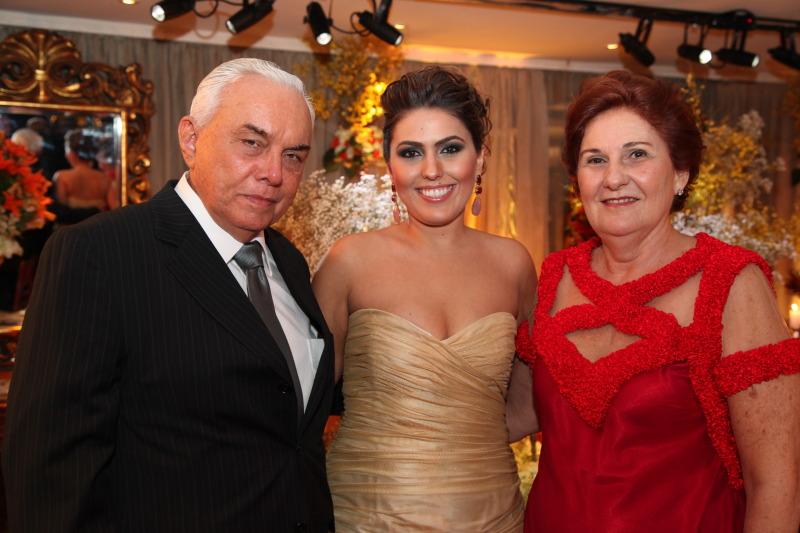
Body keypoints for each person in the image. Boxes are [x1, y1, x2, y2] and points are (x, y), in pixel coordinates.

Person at [3, 58, 335, 532]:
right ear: (191, 139)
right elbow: (50, 473)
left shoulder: (289, 262)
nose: (274, 172)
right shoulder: (100, 253)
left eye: (294, 156)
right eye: (252, 143)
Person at [516, 70, 800, 532]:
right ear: (577, 180)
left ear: (681, 173)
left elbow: (778, 485)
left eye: (637, 155)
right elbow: (518, 413)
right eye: (595, 160)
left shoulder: (731, 281)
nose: (613, 178)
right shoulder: (553, 277)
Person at [313, 66, 538, 532]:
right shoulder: (349, 261)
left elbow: (532, 400)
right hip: (368, 516)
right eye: (411, 152)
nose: (432, 170)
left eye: (450, 148)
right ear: (390, 165)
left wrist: (459, 447)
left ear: (480, 158)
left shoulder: (513, 263)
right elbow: (300, 406)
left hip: (491, 514)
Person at [53, 129, 110, 213]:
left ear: (71, 153)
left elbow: (61, 211)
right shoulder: (105, 178)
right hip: (100, 221)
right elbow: (114, 209)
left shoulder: (61, 177)